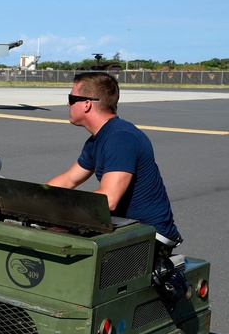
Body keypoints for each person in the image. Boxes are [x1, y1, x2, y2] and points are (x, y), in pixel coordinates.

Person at [47, 71, 186, 302]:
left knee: (68, 265)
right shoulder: (97, 139)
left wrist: (61, 212)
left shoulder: (120, 138)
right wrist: (29, 199)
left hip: (149, 236)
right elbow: (68, 180)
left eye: (71, 99)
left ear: (87, 105)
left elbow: (108, 199)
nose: (67, 104)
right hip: (127, 228)